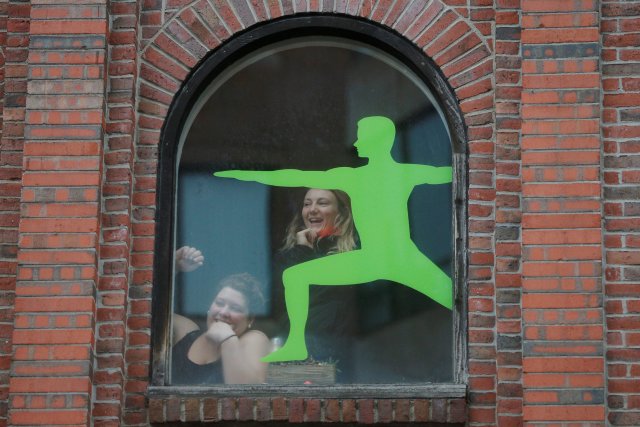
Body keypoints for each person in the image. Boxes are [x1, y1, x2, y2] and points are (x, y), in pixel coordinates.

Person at [215, 116, 453, 362]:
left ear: (380, 141)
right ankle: (297, 344)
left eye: (362, 136)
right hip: (371, 259)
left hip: (402, 257)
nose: (357, 142)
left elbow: (451, 173)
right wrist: (241, 173)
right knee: (295, 275)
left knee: (456, 299)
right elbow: (292, 177)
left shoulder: (396, 173)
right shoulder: (358, 176)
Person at [274, 189, 358, 366]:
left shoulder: (352, 256)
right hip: (291, 360)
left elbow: (318, 299)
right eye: (307, 204)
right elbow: (279, 304)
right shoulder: (288, 256)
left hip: (333, 357)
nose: (312, 209)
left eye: (322, 203)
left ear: (341, 213)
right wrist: (301, 251)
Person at [171, 273, 271, 384]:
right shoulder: (187, 329)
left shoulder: (253, 339)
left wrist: (228, 339)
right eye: (219, 303)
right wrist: (177, 266)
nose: (223, 312)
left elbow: (247, 394)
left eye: (235, 308)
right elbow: (153, 307)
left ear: (250, 319)